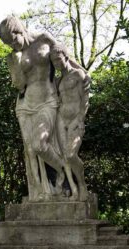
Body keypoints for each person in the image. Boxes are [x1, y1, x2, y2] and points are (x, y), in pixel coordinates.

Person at [0, 16, 65, 201]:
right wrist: (17, 63)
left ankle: (63, 173)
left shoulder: (44, 39)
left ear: (20, 31)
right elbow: (19, 85)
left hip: (47, 101)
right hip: (25, 105)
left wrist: (79, 77)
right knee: (30, 153)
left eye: (13, 40)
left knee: (40, 145)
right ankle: (40, 193)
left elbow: (64, 58)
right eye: (8, 44)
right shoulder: (13, 56)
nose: (12, 45)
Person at [50, 44, 90, 201]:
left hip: (75, 120)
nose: (57, 64)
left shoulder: (78, 74)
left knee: (71, 154)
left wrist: (80, 118)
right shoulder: (58, 80)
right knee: (64, 156)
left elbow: (85, 100)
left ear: (66, 57)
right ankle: (73, 190)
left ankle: (82, 185)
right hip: (61, 119)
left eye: (59, 59)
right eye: (54, 61)